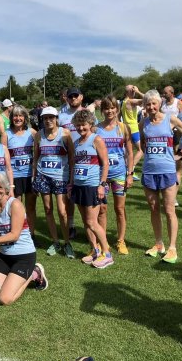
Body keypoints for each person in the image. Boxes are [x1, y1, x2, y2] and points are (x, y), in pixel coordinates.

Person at [139, 90, 182, 263]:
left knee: (169, 210)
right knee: (154, 208)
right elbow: (142, 143)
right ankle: (158, 244)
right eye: (148, 104)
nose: (151, 107)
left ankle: (172, 248)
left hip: (167, 171)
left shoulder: (170, 119)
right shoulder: (143, 123)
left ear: (159, 104)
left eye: (154, 103)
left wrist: (181, 154)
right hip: (149, 171)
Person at [0, 171, 48, 305]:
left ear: (6, 189)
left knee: (4, 299)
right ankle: (12, 278)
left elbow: (14, 235)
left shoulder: (15, 205)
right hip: (5, 257)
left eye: (0, 187)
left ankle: (34, 273)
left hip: (24, 256)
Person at [71, 110, 112, 268]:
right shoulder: (76, 143)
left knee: (92, 222)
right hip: (79, 186)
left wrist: (102, 184)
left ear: (90, 124)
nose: (81, 128)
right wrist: (71, 184)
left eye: (84, 124)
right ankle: (94, 250)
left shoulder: (97, 139)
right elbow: (75, 165)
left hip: (92, 185)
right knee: (85, 222)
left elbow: (105, 163)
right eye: (78, 125)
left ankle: (107, 253)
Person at [32, 106, 75, 258]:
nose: (48, 120)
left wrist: (71, 179)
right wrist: (34, 176)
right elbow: (36, 157)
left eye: (51, 117)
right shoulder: (38, 135)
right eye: (45, 118)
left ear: (56, 118)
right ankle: (55, 241)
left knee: (62, 212)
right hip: (43, 176)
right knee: (48, 209)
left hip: (60, 177)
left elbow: (71, 157)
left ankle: (67, 242)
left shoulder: (65, 133)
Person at [95, 96, 134, 255]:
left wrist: (130, 174)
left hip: (119, 174)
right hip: (101, 176)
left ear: (117, 109)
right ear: (102, 110)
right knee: (102, 209)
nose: (109, 111)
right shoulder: (96, 129)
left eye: (112, 108)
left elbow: (130, 153)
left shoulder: (123, 128)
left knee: (120, 208)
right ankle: (102, 240)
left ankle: (120, 240)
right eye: (106, 108)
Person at [1, 105, 37, 242]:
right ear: (11, 118)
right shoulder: (6, 134)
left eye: (21, 115)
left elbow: (38, 152)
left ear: (25, 118)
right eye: (15, 116)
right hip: (14, 176)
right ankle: (18, 235)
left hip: (29, 175)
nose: (18, 118)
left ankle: (31, 234)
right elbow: (3, 158)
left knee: (31, 207)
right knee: (16, 208)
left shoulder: (32, 133)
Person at [59, 87, 86, 239]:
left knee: (84, 193)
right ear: (66, 98)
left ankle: (89, 225)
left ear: (81, 97)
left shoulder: (87, 114)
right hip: (67, 160)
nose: (73, 98)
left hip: (85, 159)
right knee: (69, 194)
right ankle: (71, 225)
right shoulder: (61, 116)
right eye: (70, 96)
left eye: (76, 96)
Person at [121, 85, 145, 180]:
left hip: (125, 127)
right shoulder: (130, 101)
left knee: (128, 151)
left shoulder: (123, 102)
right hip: (133, 128)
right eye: (133, 90)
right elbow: (147, 99)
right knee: (141, 149)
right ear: (131, 91)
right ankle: (131, 170)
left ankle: (126, 170)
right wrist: (139, 91)